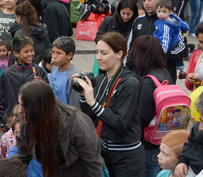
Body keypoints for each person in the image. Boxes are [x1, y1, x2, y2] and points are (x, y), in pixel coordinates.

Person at [76, 32, 145, 176]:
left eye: (104, 53)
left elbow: (120, 124)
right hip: (103, 151)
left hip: (126, 156)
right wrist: (84, 95)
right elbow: (90, 116)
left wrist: (93, 103)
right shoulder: (101, 79)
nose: (98, 57)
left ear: (119, 54)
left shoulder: (130, 83)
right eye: (97, 52)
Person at [16, 80, 103, 176]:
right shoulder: (27, 122)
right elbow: (21, 159)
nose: (19, 111)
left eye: (24, 106)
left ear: (39, 107)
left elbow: (94, 165)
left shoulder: (76, 123)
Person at [129, 35, 173, 177]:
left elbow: (143, 117)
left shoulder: (148, 82)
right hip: (162, 137)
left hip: (148, 142)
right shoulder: (165, 74)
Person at [128, 0, 187, 82]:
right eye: (144, 0)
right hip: (140, 76)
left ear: (159, 0)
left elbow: (183, 48)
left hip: (164, 76)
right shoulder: (138, 21)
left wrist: (161, 56)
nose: (146, 3)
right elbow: (130, 48)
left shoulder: (171, 22)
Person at [0, 36, 48, 129]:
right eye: (26, 51)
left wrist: (42, 86)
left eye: (32, 50)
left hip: (34, 120)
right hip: (13, 120)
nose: (30, 54)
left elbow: (47, 97)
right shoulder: (7, 73)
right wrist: (2, 121)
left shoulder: (39, 71)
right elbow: (1, 98)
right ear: (16, 53)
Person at [153, 0, 190, 81]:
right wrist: (186, 28)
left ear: (169, 12)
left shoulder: (165, 25)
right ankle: (182, 71)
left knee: (176, 56)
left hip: (171, 45)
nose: (161, 14)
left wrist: (162, 53)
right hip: (175, 41)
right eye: (159, 11)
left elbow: (165, 40)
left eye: (164, 12)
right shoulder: (173, 18)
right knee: (177, 59)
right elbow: (180, 22)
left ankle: (183, 71)